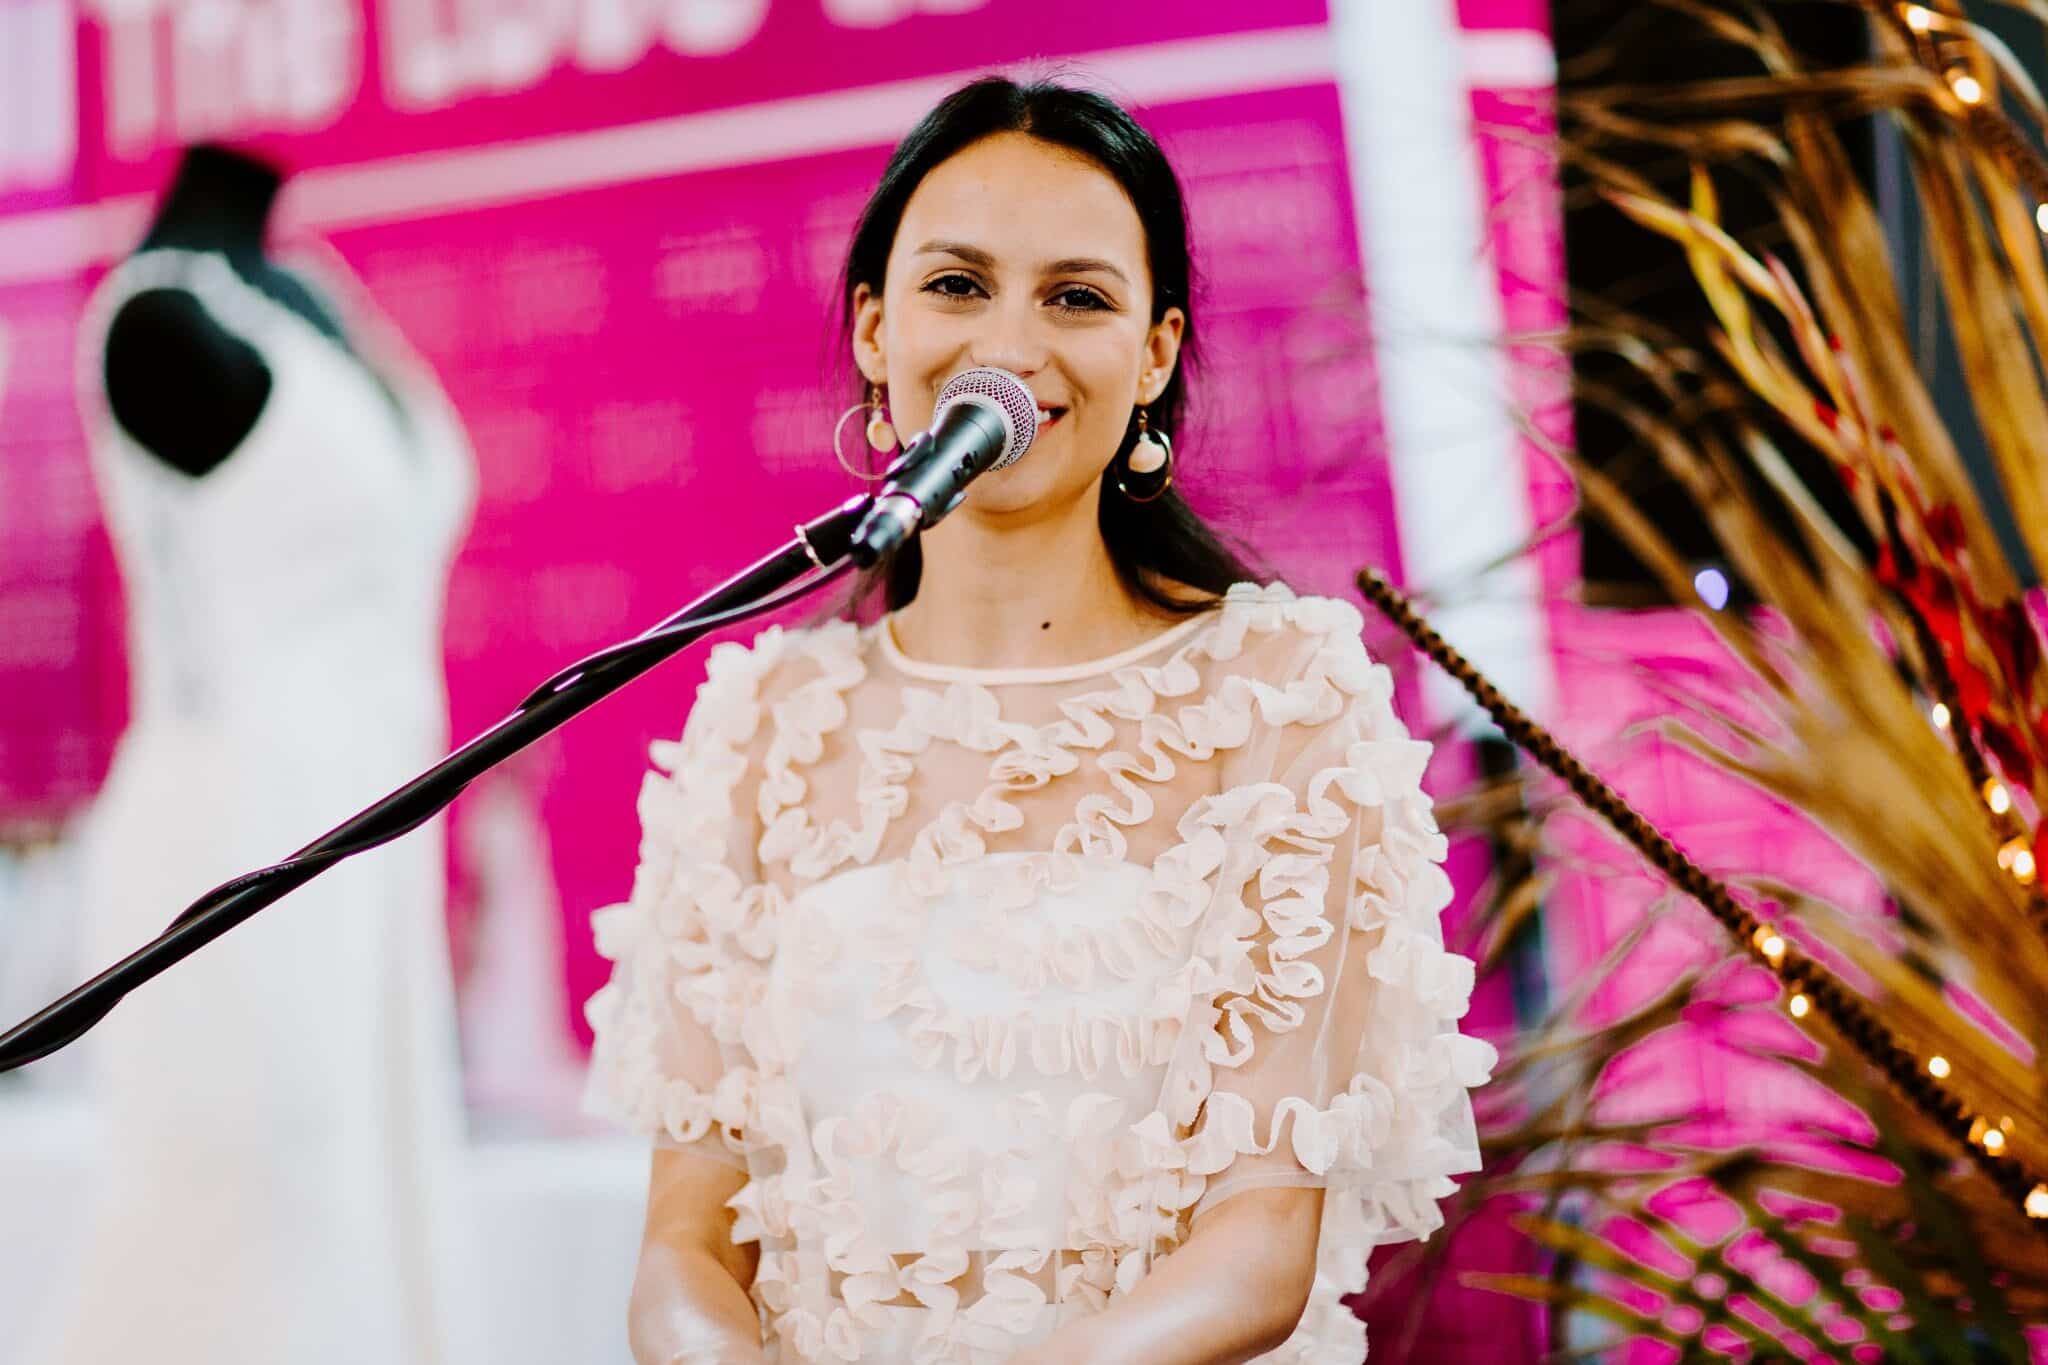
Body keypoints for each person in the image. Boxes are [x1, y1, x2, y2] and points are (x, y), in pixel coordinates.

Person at [584, 77, 1496, 1365]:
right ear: (871, 328)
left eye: (1075, 297)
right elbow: (684, 1245)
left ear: (1157, 353)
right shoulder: (762, 727)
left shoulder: (1277, 702)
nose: (1009, 344)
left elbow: (1256, 1246)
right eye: (958, 285)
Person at [28, 145, 481, 1365]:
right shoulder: (162, 320)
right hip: (237, 828)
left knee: (376, 1186)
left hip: (373, 835)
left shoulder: (319, 295)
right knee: (259, 1192)